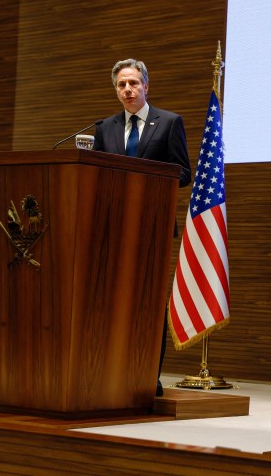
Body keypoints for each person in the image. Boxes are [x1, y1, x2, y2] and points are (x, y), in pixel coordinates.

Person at [94, 58, 192, 396]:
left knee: (148, 304)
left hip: (153, 227)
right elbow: (96, 175)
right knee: (110, 302)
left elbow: (183, 172)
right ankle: (109, 368)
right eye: (121, 85)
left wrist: (143, 179)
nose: (127, 90)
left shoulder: (168, 123)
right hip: (113, 230)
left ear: (146, 86)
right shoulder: (104, 128)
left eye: (133, 83)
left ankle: (148, 372)